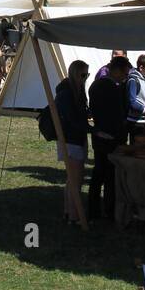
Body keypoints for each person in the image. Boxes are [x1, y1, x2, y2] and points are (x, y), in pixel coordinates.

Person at [88, 56, 131, 222]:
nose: (125, 77)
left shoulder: (97, 85)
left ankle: (95, 210)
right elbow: (116, 114)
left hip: (101, 135)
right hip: (109, 137)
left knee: (99, 174)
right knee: (108, 176)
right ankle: (108, 209)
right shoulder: (110, 87)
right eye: (124, 73)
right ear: (117, 70)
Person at [54, 59, 92, 229]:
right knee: (75, 179)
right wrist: (93, 130)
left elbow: (81, 113)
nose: (85, 78)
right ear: (75, 74)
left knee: (73, 179)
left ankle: (68, 212)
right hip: (70, 140)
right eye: (83, 75)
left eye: (87, 75)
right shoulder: (66, 93)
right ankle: (75, 216)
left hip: (77, 138)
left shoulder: (78, 89)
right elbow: (71, 119)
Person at [126, 54, 145, 140]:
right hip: (135, 121)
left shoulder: (144, 78)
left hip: (143, 120)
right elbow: (132, 101)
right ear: (141, 68)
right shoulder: (133, 80)